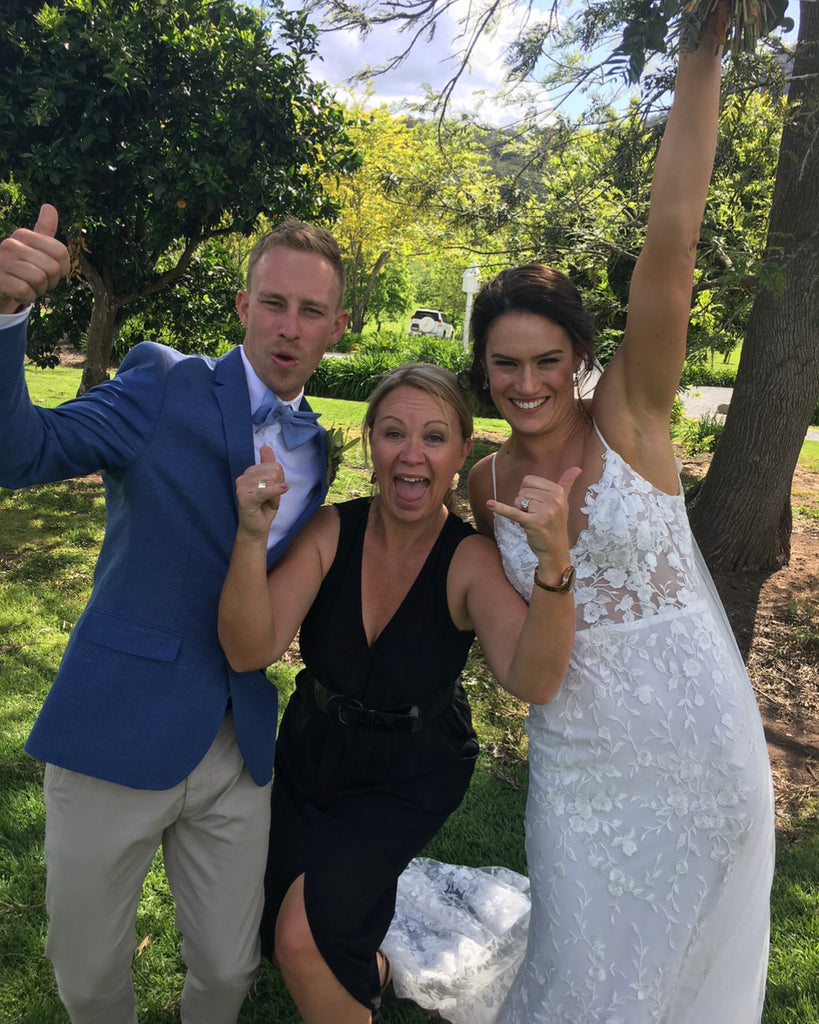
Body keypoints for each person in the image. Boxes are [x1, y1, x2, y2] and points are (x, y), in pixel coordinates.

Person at [462, 8, 775, 1023]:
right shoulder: (485, 486)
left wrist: (702, 50)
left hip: (699, 747)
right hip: (580, 766)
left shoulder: (633, 418)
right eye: (505, 364)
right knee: (583, 967)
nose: (526, 382)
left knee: (680, 979)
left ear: (579, 359)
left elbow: (673, 238)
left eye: (546, 360)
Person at [0, 205, 349, 1024]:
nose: (288, 327)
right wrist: (7, 314)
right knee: (88, 980)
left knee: (229, 972)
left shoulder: (315, 451)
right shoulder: (163, 380)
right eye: (273, 303)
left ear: (337, 327)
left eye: (309, 311)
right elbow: (20, 455)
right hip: (115, 724)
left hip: (236, 740)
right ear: (242, 307)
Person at [217, 362, 580, 1023]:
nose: (411, 455)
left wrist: (554, 565)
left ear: (461, 450)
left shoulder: (467, 559)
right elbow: (249, 646)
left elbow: (534, 679)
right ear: (370, 444)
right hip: (311, 754)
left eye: (434, 437)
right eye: (392, 433)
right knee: (274, 932)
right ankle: (375, 969)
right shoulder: (332, 531)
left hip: (409, 772)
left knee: (304, 938)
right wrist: (250, 537)